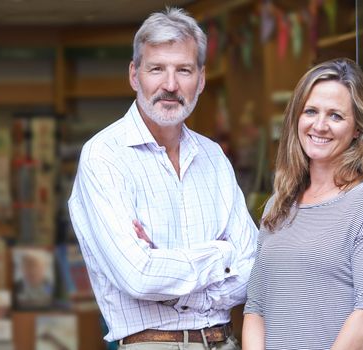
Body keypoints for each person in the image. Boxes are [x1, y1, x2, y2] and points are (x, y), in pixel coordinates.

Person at [68, 7, 258, 350]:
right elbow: (138, 276)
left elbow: (253, 268)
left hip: (225, 341)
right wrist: (221, 253)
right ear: (134, 75)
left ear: (200, 79)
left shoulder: (214, 157)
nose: (170, 85)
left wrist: (168, 274)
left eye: (183, 70)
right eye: (157, 69)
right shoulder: (104, 156)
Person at [242, 58, 363, 350]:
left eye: (336, 116)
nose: (320, 125)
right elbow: (255, 308)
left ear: (357, 129)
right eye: (311, 111)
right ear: (296, 119)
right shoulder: (277, 205)